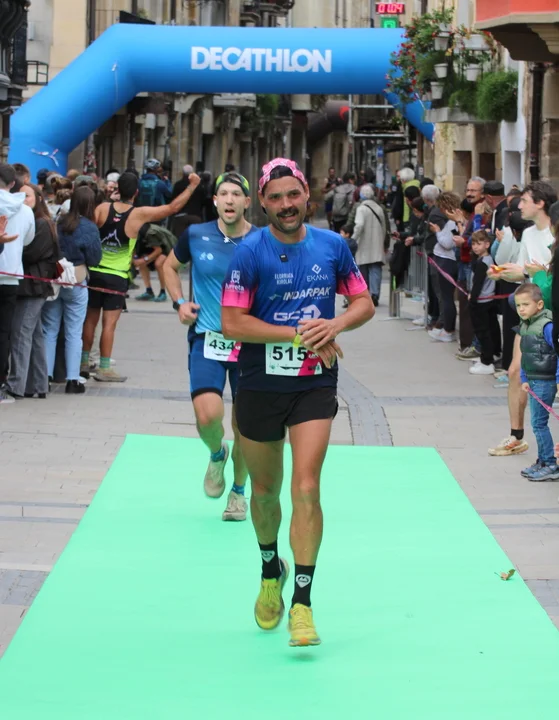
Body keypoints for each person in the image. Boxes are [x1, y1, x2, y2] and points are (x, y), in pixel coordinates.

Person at [221, 158, 374, 647]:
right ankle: (271, 570)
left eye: (294, 195)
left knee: (307, 488)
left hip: (314, 383)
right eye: (276, 197)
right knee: (266, 493)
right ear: (262, 203)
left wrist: (335, 324)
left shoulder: (332, 246)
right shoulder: (249, 252)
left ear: (307, 195)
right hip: (258, 383)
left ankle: (303, 605)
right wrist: (297, 334)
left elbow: (364, 302)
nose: (286, 205)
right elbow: (232, 323)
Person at [163, 171, 256, 521]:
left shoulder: (262, 240)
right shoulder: (196, 235)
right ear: (215, 200)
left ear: (247, 202)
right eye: (223, 194)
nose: (229, 199)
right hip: (207, 338)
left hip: (250, 343)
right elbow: (169, 266)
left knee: (245, 426)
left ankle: (238, 492)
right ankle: (217, 454)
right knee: (207, 416)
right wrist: (179, 303)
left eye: (236, 194)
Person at [82, 170, 200, 382]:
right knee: (109, 324)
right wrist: (192, 186)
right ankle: (104, 368)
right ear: (136, 192)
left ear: (118, 189)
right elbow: (172, 208)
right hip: (117, 277)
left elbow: (88, 231)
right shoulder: (138, 214)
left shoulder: (102, 208)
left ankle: (83, 362)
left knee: (90, 320)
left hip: (95, 273)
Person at [487, 181, 557, 457]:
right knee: (515, 371)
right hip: (530, 315)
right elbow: (525, 271)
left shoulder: (554, 232)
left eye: (525, 200)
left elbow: (544, 273)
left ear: (540, 203)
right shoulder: (527, 233)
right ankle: (516, 436)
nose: (519, 206)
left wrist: (533, 272)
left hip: (551, 313)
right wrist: (503, 271)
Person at [42, 186, 102, 394]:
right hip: (77, 280)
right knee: (74, 332)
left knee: (50, 329)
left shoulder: (59, 222)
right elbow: (95, 259)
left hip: (55, 279)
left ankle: (45, 378)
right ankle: (72, 380)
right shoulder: (90, 228)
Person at [6, 184, 58, 399]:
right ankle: (38, 384)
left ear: (39, 198)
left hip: (33, 287)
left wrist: (12, 248)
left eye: (27, 196)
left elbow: (31, 254)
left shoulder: (42, 223)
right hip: (29, 286)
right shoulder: (33, 220)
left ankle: (15, 385)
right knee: (34, 337)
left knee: (21, 334)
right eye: (19, 195)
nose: (23, 199)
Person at [515, 284, 559, 481]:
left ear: (539, 304)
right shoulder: (526, 325)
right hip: (534, 380)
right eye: (518, 305)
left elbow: (557, 353)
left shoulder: (547, 326)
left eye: (526, 304)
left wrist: (558, 379)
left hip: (545, 381)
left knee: (539, 424)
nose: (521, 309)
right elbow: (526, 355)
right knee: (537, 423)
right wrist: (524, 378)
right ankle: (542, 461)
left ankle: (550, 463)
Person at [0, 164, 36, 404]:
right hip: (11, 275)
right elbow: (28, 240)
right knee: (4, 332)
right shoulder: (25, 211)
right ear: (13, 183)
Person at [467, 231, 501, 376]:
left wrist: (472, 300)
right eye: (474, 243)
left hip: (481, 301)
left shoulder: (482, 263)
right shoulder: (489, 259)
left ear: (487, 244)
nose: (475, 247)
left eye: (479, 243)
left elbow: (477, 284)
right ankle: (492, 354)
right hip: (489, 300)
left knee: (482, 332)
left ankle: (487, 362)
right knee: (491, 329)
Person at [427, 192, 458, 343]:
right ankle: (446, 327)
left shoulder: (453, 223)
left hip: (446, 261)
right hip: (444, 259)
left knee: (446, 298)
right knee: (446, 297)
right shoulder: (452, 222)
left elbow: (447, 243)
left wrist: (437, 232)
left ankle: (448, 329)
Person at [351, 184, 388, 307]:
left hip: (364, 243)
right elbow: (384, 226)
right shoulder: (378, 208)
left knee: (363, 269)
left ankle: (365, 293)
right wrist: (383, 240)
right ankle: (375, 293)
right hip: (377, 242)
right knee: (375, 268)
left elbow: (359, 225)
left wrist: (353, 238)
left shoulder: (361, 209)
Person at [134, 222, 176, 302]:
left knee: (158, 263)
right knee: (141, 263)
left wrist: (145, 259)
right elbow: (133, 249)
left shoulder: (149, 233)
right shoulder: (131, 232)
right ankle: (149, 291)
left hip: (168, 247)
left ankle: (163, 292)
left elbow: (158, 250)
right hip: (153, 247)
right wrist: (134, 261)